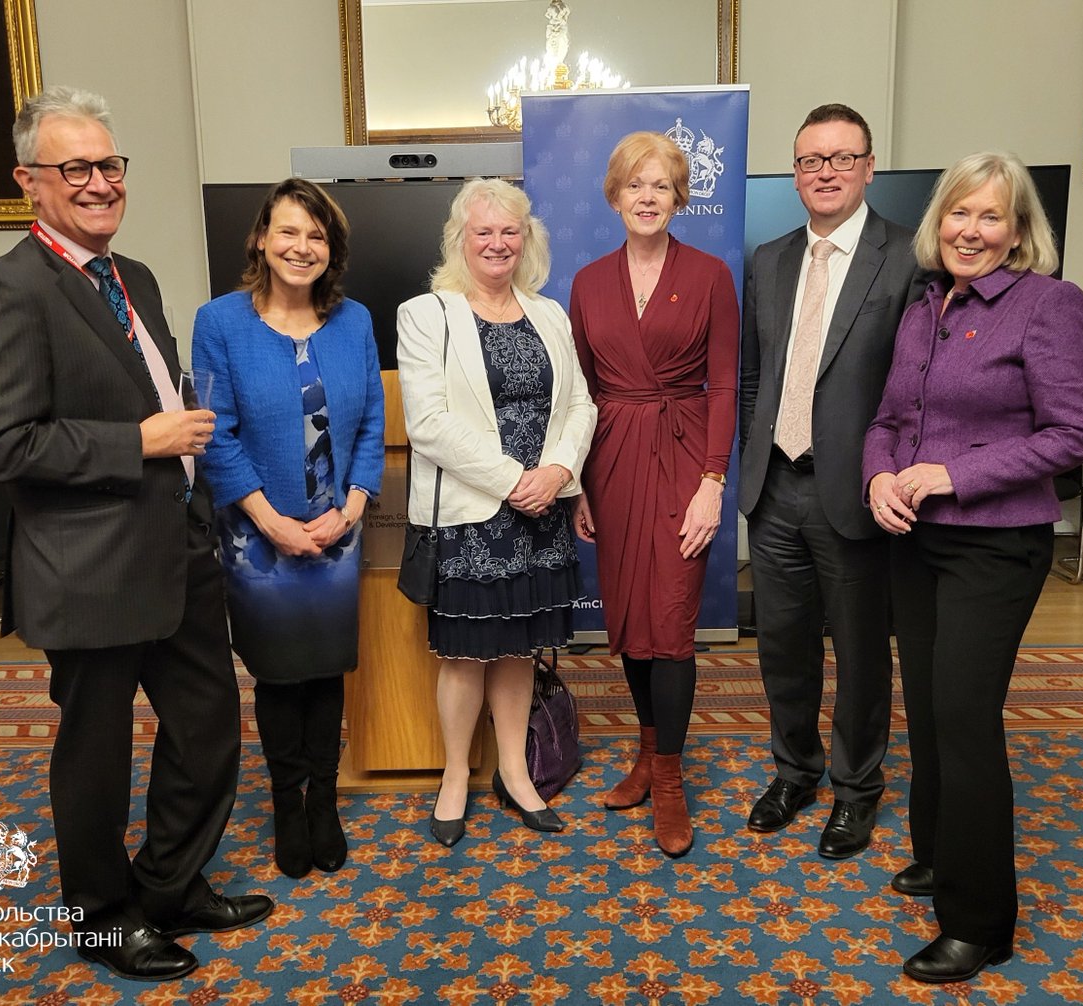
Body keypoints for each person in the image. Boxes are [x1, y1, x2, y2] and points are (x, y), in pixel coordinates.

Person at [0, 86, 271, 983]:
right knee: (95, 755)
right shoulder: (7, 287)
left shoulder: (134, 277)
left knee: (208, 726)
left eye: (109, 165)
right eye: (76, 168)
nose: (99, 183)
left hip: (177, 551)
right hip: (86, 567)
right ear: (31, 182)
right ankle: (101, 918)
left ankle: (169, 886)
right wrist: (137, 443)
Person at [865, 151, 1083, 984]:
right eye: (960, 213)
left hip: (996, 545)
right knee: (926, 710)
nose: (971, 230)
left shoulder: (1049, 304)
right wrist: (880, 474)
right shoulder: (926, 305)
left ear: (1020, 230)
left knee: (964, 720)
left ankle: (978, 922)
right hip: (917, 541)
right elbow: (891, 417)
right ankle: (938, 856)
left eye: (990, 216)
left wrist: (956, 473)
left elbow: (1073, 433)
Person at [738, 103, 927, 859]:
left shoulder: (910, 255)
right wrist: (755, 454)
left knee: (858, 652)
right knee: (781, 645)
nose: (826, 172)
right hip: (775, 485)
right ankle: (796, 771)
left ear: (869, 167)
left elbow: (915, 387)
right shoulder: (770, 258)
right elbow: (756, 376)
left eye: (841, 158)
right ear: (795, 173)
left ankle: (856, 790)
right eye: (812, 161)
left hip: (856, 490)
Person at [192, 179, 384, 878]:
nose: (302, 247)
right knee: (277, 675)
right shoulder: (219, 323)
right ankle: (285, 803)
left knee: (325, 669)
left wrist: (355, 507)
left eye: (317, 235)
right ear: (262, 240)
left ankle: (324, 802)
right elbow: (218, 435)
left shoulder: (356, 321)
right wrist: (269, 520)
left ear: (330, 250)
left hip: (339, 529)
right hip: (256, 537)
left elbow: (369, 426)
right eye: (289, 232)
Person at [397, 178, 596, 848]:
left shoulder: (550, 315)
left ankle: (514, 769)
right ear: (460, 238)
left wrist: (559, 471)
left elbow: (580, 407)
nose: (497, 242)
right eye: (483, 230)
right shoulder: (427, 314)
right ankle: (457, 775)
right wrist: (517, 480)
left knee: (518, 648)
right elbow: (426, 423)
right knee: (465, 656)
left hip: (540, 509)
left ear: (527, 239)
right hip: (471, 510)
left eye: (510, 230)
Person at [569, 131, 739, 858]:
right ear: (615, 197)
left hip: (682, 455)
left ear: (679, 198)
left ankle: (668, 778)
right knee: (632, 616)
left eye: (661, 185)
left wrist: (712, 482)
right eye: (635, 185)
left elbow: (726, 383)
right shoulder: (586, 282)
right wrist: (577, 479)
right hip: (610, 460)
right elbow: (579, 392)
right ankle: (646, 750)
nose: (647, 197)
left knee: (670, 620)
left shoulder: (708, 276)